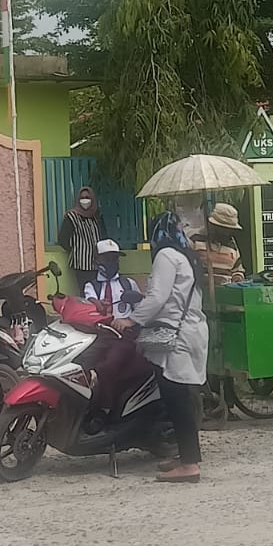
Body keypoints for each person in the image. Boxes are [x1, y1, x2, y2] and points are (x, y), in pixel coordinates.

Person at [115, 216, 206, 484]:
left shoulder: (166, 255)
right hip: (187, 329)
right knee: (177, 395)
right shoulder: (184, 256)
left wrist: (131, 320)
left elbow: (158, 296)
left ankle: (190, 464)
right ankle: (185, 457)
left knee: (176, 398)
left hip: (177, 336)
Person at [57, 187, 107, 294]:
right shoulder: (71, 216)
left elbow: (103, 236)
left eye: (88, 198)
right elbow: (62, 239)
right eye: (82, 198)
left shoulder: (97, 216)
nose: (85, 200)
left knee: (100, 292)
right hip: (81, 264)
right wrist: (76, 249)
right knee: (86, 292)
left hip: (98, 263)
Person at [193, 203, 248, 287]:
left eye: (229, 229)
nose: (227, 232)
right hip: (202, 293)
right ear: (212, 225)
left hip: (227, 292)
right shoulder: (195, 239)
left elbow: (237, 269)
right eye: (223, 229)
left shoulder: (232, 243)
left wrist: (237, 277)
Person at [85, 240, 141, 320]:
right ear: (96, 262)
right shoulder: (91, 286)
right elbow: (90, 300)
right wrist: (97, 304)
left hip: (126, 329)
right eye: (107, 259)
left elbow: (139, 310)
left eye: (115, 259)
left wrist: (129, 321)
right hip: (102, 329)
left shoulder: (129, 283)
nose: (111, 263)